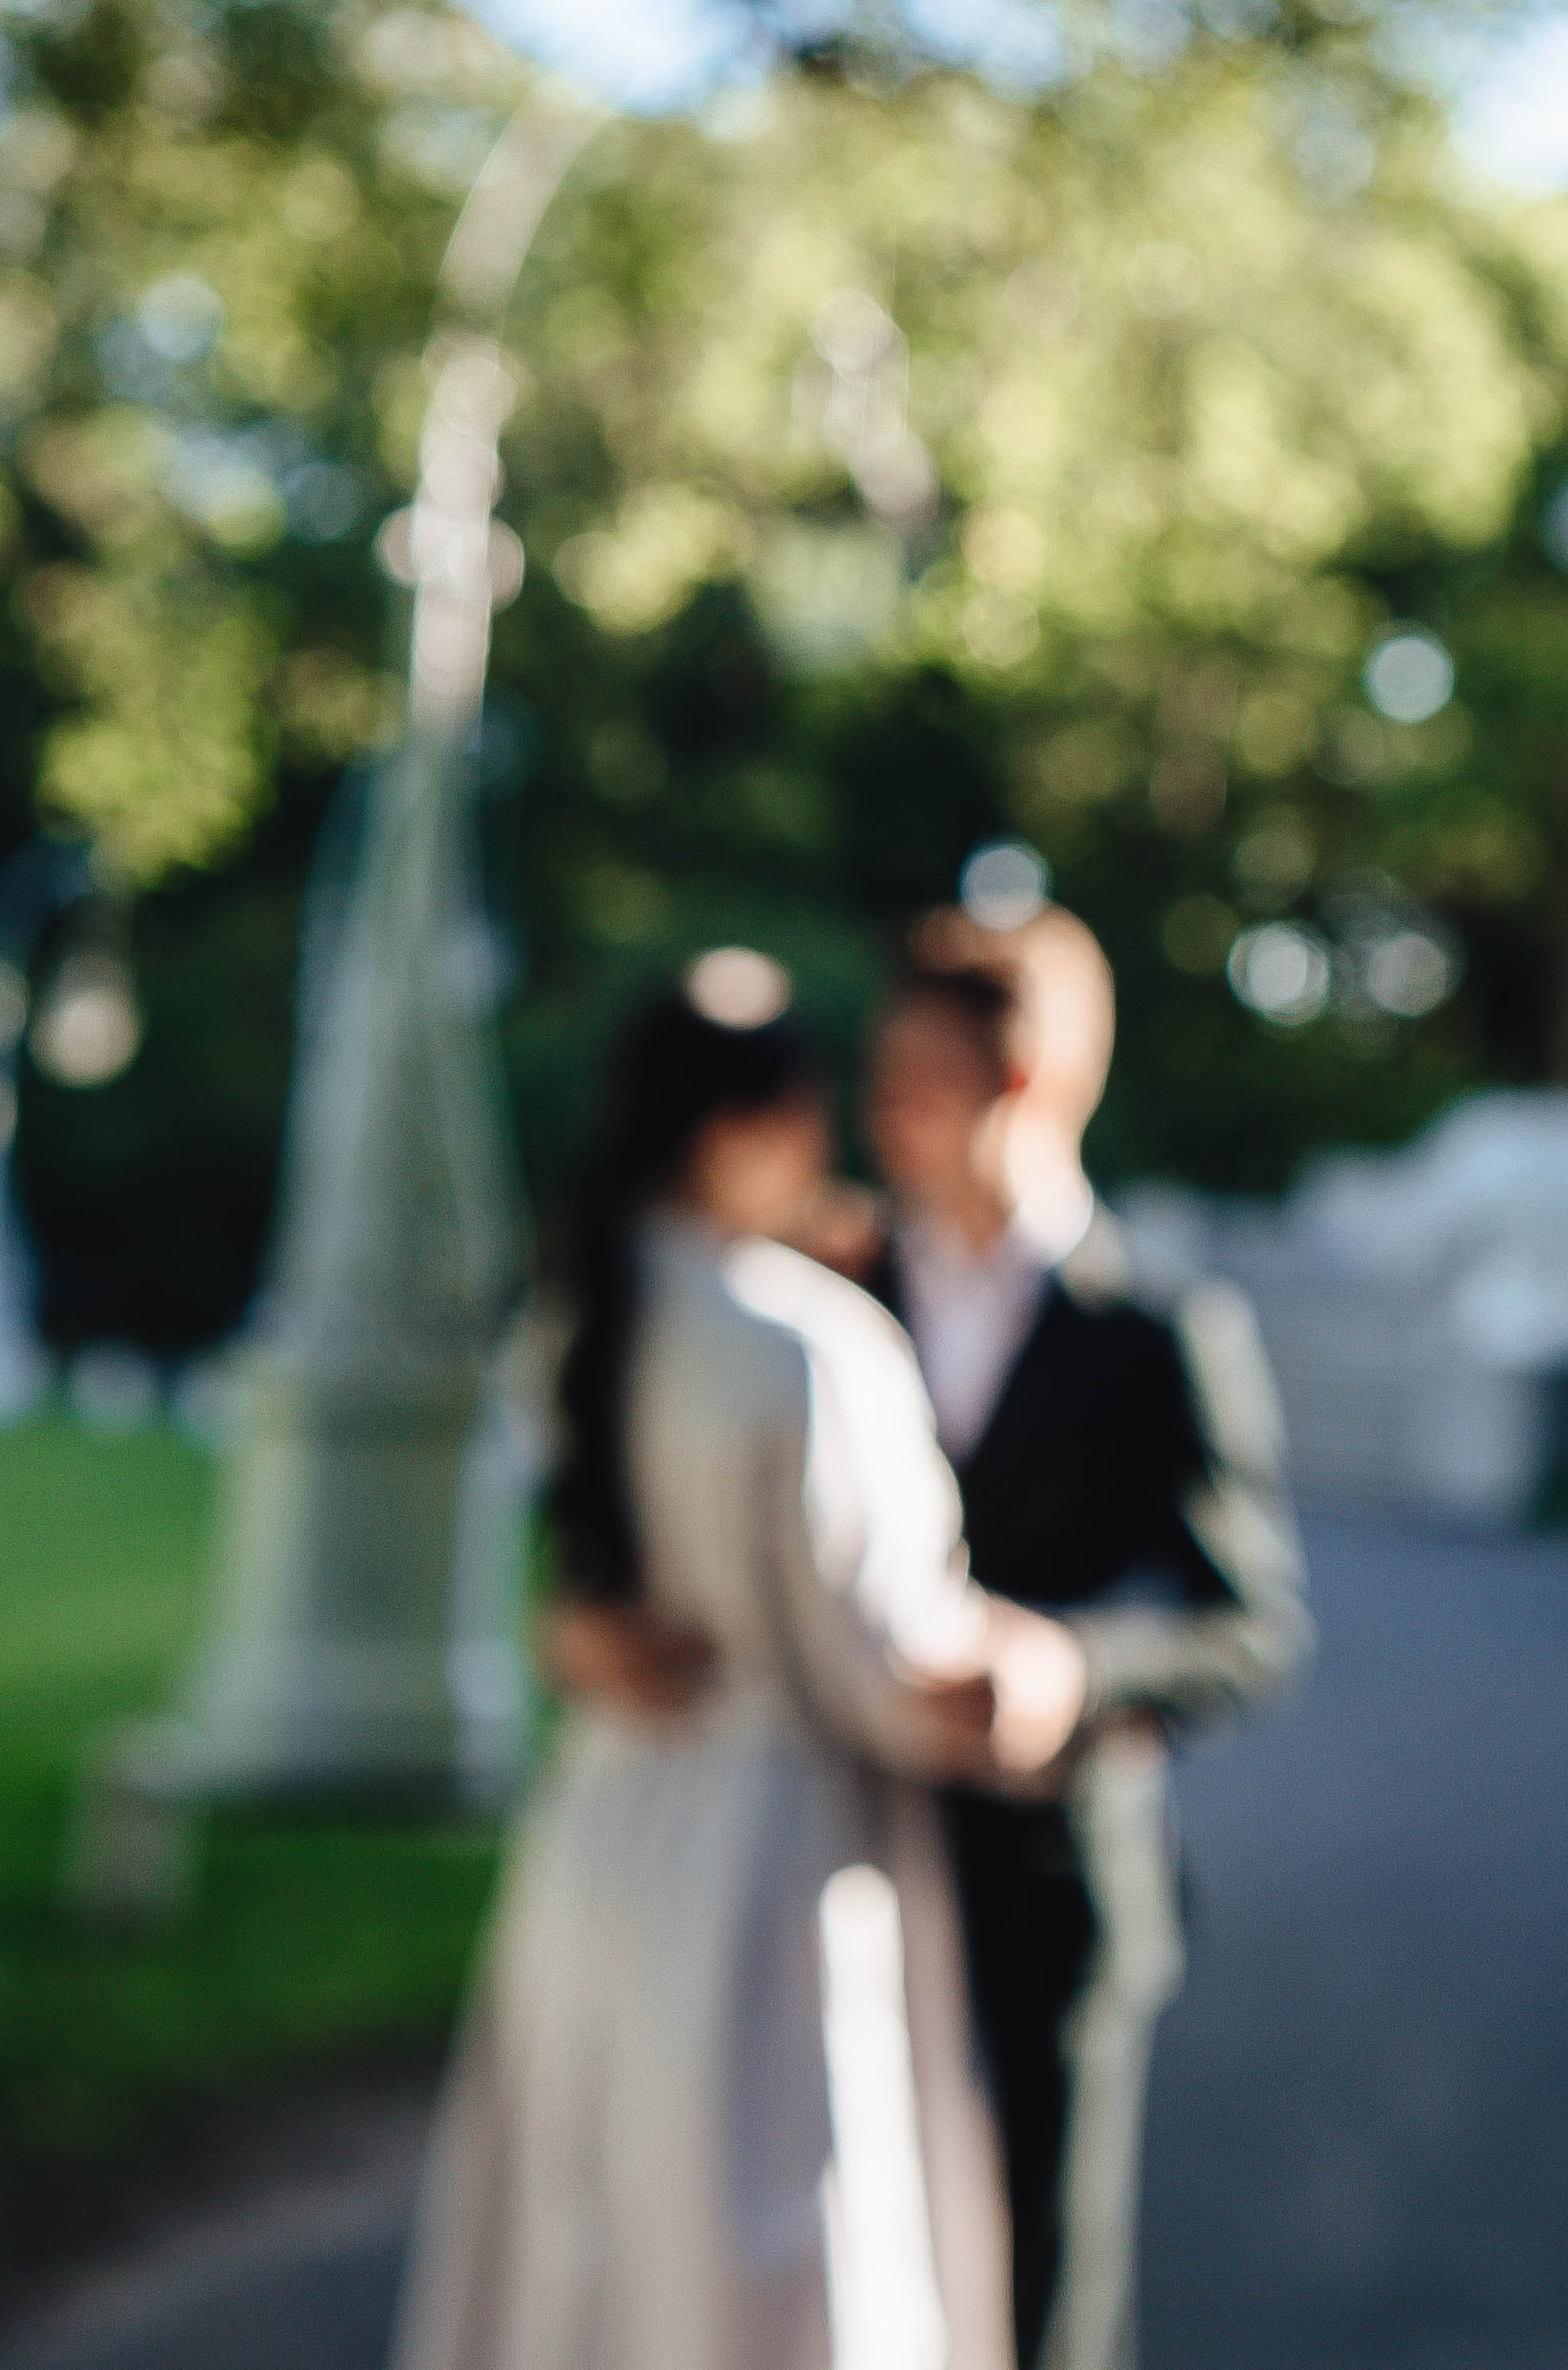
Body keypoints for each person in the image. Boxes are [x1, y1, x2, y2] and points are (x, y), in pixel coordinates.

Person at [390, 952, 1084, 2370]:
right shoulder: (807, 1346)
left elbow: (575, 1589)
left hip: (603, 1828)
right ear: (745, 1126)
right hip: (772, 1853)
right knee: (765, 2258)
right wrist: (1017, 1673)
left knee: (585, 2240)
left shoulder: (581, 1316)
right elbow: (876, 1662)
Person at [857, 921, 1311, 2370]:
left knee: (1044, 2301)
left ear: (1027, 1080)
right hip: (846, 1857)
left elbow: (1250, 1626)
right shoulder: (839, 1293)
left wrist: (1074, 1670)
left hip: (1056, 1888)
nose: (884, 1110)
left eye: (920, 1075)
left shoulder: (1162, 1327)